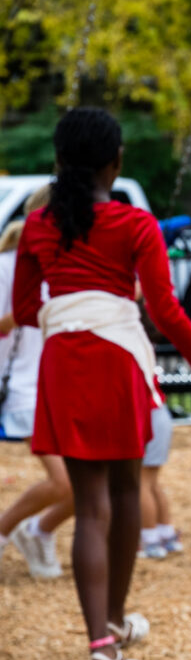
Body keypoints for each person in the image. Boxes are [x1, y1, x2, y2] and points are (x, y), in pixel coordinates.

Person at [13, 107, 191, 660]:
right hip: (118, 365)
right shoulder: (135, 225)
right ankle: (114, 625)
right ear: (116, 163)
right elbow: (165, 312)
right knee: (123, 499)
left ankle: (101, 643)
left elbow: (23, 310)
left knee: (86, 507)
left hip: (64, 366)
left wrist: (68, 312)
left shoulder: (40, 228)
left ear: (58, 161)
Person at [0, 188, 55, 578]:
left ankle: (38, 530)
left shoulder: (65, 264)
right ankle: (9, 530)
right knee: (69, 482)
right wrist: (24, 310)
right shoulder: (7, 266)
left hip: (59, 383)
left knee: (92, 481)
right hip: (25, 385)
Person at [137, 403, 183, 559]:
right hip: (159, 414)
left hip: (147, 416)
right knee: (152, 482)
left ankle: (150, 539)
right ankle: (166, 533)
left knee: (142, 482)